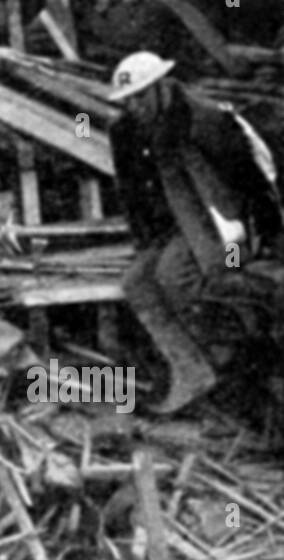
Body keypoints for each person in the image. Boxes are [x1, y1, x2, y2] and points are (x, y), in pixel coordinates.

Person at [109, 51, 284, 411]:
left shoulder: (203, 120)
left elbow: (251, 179)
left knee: (176, 277)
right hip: (173, 224)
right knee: (136, 282)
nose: (135, 106)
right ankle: (190, 367)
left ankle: (224, 353)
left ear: (162, 88)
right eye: (129, 100)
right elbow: (131, 192)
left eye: (141, 96)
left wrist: (265, 235)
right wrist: (144, 240)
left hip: (216, 221)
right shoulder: (125, 131)